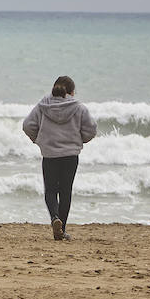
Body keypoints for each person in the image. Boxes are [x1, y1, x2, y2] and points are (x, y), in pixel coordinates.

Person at [22, 75, 97, 241]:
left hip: (49, 154)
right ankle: (61, 228)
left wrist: (38, 139)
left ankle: (54, 218)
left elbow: (27, 125)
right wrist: (79, 139)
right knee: (65, 191)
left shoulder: (43, 106)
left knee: (50, 190)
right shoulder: (79, 108)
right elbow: (91, 130)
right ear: (71, 92)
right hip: (70, 155)